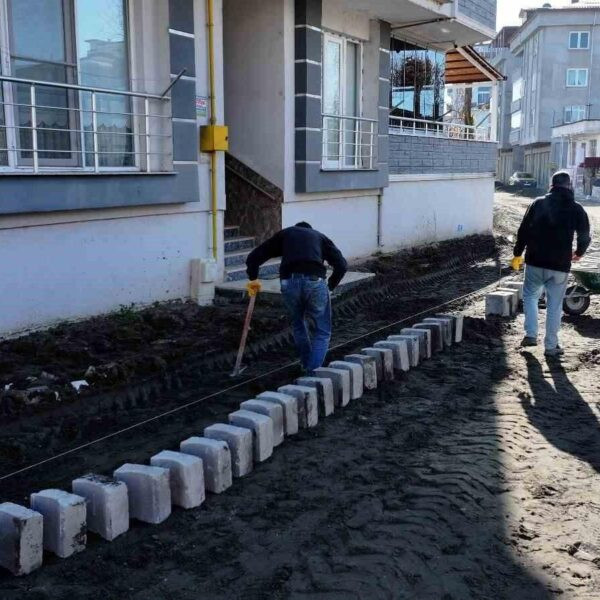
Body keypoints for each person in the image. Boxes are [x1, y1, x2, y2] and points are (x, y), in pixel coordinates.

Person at [246, 222, 347, 372]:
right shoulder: (319, 237)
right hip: (314, 281)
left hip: (289, 283)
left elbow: (254, 257)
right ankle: (312, 372)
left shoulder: (286, 234)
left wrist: (253, 278)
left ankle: (305, 364)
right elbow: (342, 265)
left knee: (298, 324)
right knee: (323, 330)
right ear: (310, 231)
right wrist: (330, 287)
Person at [512, 171, 591, 357]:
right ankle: (551, 346)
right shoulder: (576, 208)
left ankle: (530, 335)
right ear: (569, 186)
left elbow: (523, 230)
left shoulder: (538, 203)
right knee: (554, 305)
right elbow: (585, 236)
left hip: (535, 262)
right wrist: (579, 253)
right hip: (560, 265)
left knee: (530, 297)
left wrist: (517, 254)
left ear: (551, 185)